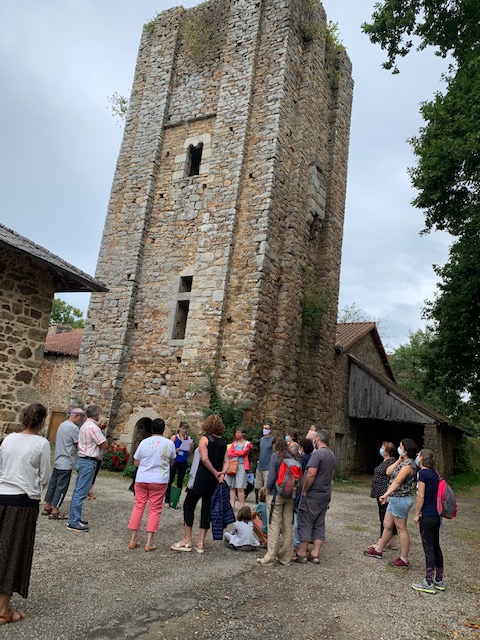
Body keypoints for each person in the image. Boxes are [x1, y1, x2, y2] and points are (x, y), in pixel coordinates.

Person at [0, 403, 51, 625]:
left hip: (1, 496)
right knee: (12, 553)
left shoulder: (9, 439)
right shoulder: (41, 443)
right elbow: (45, 476)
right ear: (42, 421)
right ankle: (3, 611)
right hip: (22, 502)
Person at [171, 414, 229, 554]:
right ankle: (201, 542)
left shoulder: (205, 439)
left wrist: (215, 472)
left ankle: (187, 540)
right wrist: (221, 473)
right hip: (214, 482)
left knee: (189, 505)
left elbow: (204, 459)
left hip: (202, 477)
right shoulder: (223, 443)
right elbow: (227, 461)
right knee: (206, 508)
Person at [364, 438, 417, 568]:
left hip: (401, 499)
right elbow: (388, 471)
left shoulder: (409, 465)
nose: (399, 448)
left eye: (401, 446)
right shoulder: (402, 462)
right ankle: (378, 550)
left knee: (401, 529)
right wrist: (399, 459)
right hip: (394, 498)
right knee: (387, 524)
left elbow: (398, 480)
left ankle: (404, 558)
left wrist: (386, 494)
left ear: (406, 450)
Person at [127, 418, 175, 552]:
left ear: (152, 429)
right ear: (163, 429)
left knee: (138, 506)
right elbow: (171, 462)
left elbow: (136, 461)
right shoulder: (169, 444)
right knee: (155, 509)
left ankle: (133, 539)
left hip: (142, 478)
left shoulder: (144, 442)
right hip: (159, 480)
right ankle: (149, 542)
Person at [295, 429, 336, 564]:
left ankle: (302, 553)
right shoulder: (332, 454)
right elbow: (332, 474)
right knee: (319, 523)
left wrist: (305, 489)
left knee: (306, 521)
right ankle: (315, 553)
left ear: (318, 438)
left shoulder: (317, 454)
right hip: (325, 495)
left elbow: (311, 474)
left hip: (313, 494)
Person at [67, 404, 107, 532]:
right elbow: (104, 444)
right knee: (81, 492)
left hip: (83, 459)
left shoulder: (84, 425)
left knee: (79, 490)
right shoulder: (93, 427)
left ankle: (75, 517)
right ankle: (74, 521)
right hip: (89, 461)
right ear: (96, 414)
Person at [257, 438, 295, 566]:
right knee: (288, 526)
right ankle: (286, 558)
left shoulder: (275, 456)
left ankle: (270, 558)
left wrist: (267, 489)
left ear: (275, 446)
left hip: (276, 495)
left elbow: (272, 477)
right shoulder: (293, 457)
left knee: (274, 525)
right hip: (290, 495)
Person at [411, 448, 445, 594]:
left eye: (418, 455)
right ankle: (439, 579)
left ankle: (428, 582)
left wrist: (417, 514)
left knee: (428, 548)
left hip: (427, 515)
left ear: (422, 458)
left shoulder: (422, 474)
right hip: (437, 515)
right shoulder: (435, 474)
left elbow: (421, 496)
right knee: (436, 547)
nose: (416, 457)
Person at [42, 407, 85, 520]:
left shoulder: (62, 424)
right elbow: (78, 445)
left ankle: (47, 506)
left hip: (58, 460)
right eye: (81, 416)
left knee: (53, 484)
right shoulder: (73, 428)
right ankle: (55, 510)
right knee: (61, 487)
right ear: (77, 416)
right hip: (66, 461)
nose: (81, 419)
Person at [370, 441, 398, 549]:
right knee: (385, 515)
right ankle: (391, 541)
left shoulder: (391, 462)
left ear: (387, 451)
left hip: (384, 493)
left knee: (384, 516)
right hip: (380, 492)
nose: (381, 449)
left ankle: (382, 540)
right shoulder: (385, 461)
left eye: (383, 448)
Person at [293, 438, 314, 557]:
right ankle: (303, 543)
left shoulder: (302, 460)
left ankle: (296, 544)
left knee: (297, 520)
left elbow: (298, 477)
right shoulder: (312, 458)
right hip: (310, 494)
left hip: (301, 492)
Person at [165, 421, 192, 508]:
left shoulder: (188, 438)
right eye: (183, 428)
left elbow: (190, 452)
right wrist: (175, 450)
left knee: (180, 482)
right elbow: (168, 449)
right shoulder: (174, 438)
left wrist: (191, 446)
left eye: (186, 428)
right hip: (175, 461)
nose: (184, 430)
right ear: (179, 428)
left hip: (183, 461)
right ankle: (167, 500)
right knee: (170, 480)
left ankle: (176, 500)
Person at [225, 429, 252, 510]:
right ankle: (232, 505)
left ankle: (242, 507)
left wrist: (235, 452)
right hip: (233, 465)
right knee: (232, 486)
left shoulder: (247, 444)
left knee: (240, 487)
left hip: (241, 466)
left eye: (239, 432)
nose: (237, 434)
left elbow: (244, 453)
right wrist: (238, 452)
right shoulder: (234, 443)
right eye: (236, 432)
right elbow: (229, 453)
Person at [254, 423, 274, 501]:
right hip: (260, 466)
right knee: (258, 486)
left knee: (266, 487)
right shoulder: (261, 439)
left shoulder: (272, 440)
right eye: (264, 428)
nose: (264, 429)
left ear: (270, 430)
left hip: (267, 467)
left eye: (266, 428)